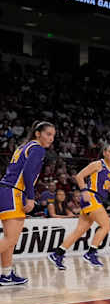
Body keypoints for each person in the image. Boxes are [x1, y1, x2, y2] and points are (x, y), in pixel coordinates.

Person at [48, 144, 110, 270]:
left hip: (97, 200)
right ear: (104, 153)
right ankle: (91, 253)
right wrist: (84, 191)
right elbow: (79, 176)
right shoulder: (97, 164)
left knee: (79, 231)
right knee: (106, 225)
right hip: (91, 197)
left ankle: (57, 254)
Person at [0, 121, 55, 286]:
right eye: (48, 134)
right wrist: (31, 197)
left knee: (10, 239)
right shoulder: (37, 148)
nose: (51, 138)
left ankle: (6, 274)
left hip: (7, 190)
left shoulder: (24, 146)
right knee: (10, 240)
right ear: (38, 133)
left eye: (53, 135)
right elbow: (28, 173)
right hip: (13, 192)